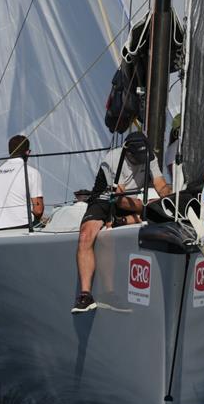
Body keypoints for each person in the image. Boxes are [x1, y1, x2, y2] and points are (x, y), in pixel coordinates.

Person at [72, 131, 171, 313]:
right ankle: (85, 296)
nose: (142, 160)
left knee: (161, 211)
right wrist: (145, 208)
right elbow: (119, 199)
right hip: (105, 198)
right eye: (137, 157)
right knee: (86, 235)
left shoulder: (150, 157)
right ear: (128, 152)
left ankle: (121, 221)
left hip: (133, 199)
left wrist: (171, 198)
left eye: (144, 156)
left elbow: (160, 185)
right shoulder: (113, 159)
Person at [0, 135, 43, 230]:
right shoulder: (31, 172)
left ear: (9, 152)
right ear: (28, 152)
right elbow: (38, 210)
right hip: (24, 226)